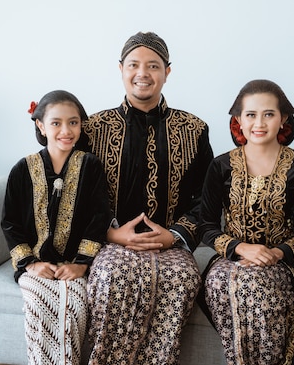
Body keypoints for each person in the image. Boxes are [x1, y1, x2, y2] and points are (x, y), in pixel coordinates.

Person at [80, 31, 214, 364]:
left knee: (183, 278)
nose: (143, 73)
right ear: (120, 68)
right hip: (112, 243)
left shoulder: (194, 129)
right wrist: (111, 233)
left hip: (172, 244)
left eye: (153, 65)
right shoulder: (93, 127)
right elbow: (78, 194)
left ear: (167, 71)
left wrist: (175, 234)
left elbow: (207, 199)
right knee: (112, 277)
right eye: (134, 64)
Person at [197, 79, 294, 365]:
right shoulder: (220, 166)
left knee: (259, 291)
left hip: (282, 263)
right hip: (230, 260)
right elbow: (206, 225)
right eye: (251, 115)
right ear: (238, 120)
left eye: (269, 114)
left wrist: (276, 253)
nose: (259, 123)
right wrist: (242, 248)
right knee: (227, 285)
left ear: (283, 120)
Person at [0, 90, 111, 365]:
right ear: (40, 125)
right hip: (35, 264)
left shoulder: (91, 166)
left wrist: (81, 264)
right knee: (38, 303)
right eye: (56, 123)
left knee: (73, 305)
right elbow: (10, 222)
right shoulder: (22, 169)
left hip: (74, 264)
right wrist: (30, 264)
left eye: (73, 122)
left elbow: (100, 218)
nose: (66, 130)